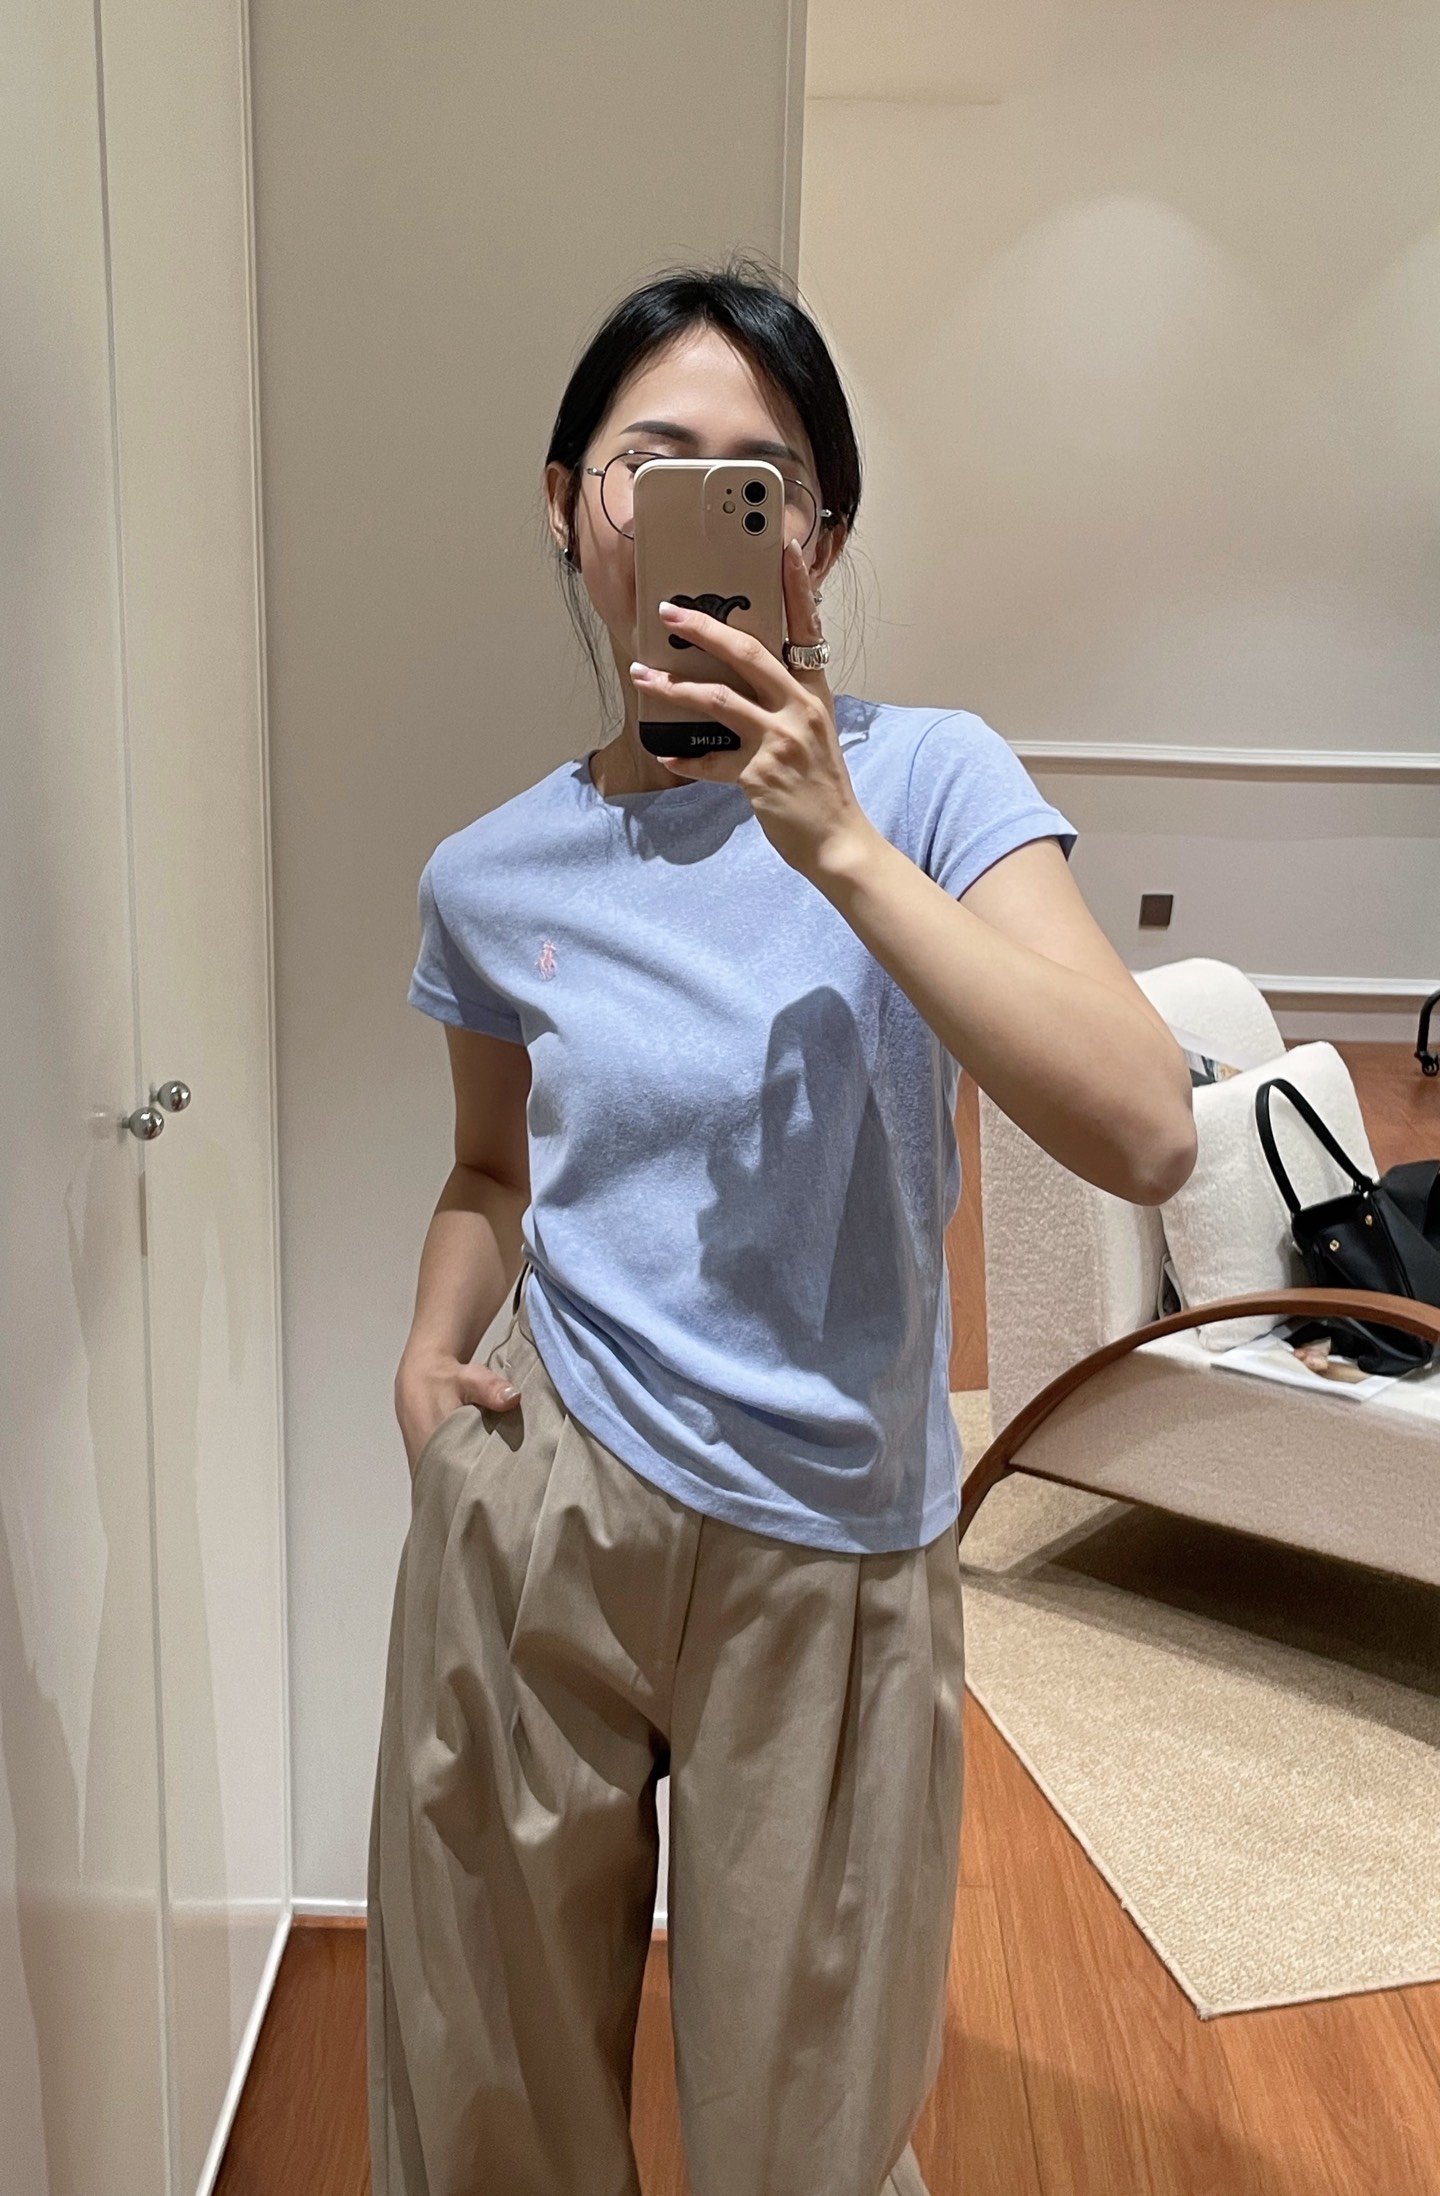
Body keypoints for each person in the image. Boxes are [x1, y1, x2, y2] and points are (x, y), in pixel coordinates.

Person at [367, 262, 1197, 2196]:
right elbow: (491, 1173)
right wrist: (427, 1346)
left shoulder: (930, 781)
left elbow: (1146, 1127)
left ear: (815, 541)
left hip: (828, 1536)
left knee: (806, 2138)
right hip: (541, 1504)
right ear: (570, 502)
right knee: (489, 2107)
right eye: (651, 464)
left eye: (763, 482)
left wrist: (832, 842)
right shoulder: (490, 873)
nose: (702, 514)